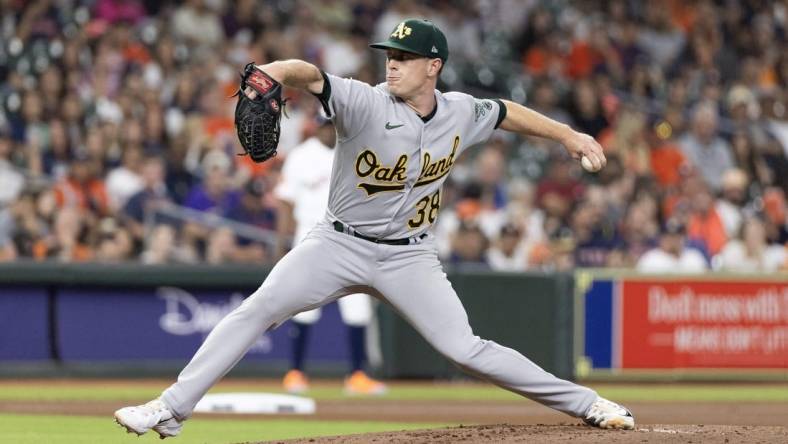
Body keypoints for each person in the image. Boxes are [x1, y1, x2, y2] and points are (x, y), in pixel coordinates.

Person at [114, 19, 634, 439]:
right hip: (336, 243)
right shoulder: (363, 101)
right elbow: (307, 73)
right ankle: (170, 409)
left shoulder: (457, 112)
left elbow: (503, 113)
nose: (393, 63)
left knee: (465, 349)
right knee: (258, 309)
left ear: (434, 66)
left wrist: (568, 134)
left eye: (404, 58)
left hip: (410, 256)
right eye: (390, 55)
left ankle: (588, 404)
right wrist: (270, 71)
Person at [275, 116, 386, 395]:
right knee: (303, 305)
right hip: (309, 236)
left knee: (358, 305)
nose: (330, 131)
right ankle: (296, 372)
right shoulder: (302, 156)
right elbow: (286, 201)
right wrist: (282, 242)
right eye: (325, 126)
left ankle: (357, 375)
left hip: (350, 239)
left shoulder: (356, 151)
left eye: (333, 126)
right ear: (317, 127)